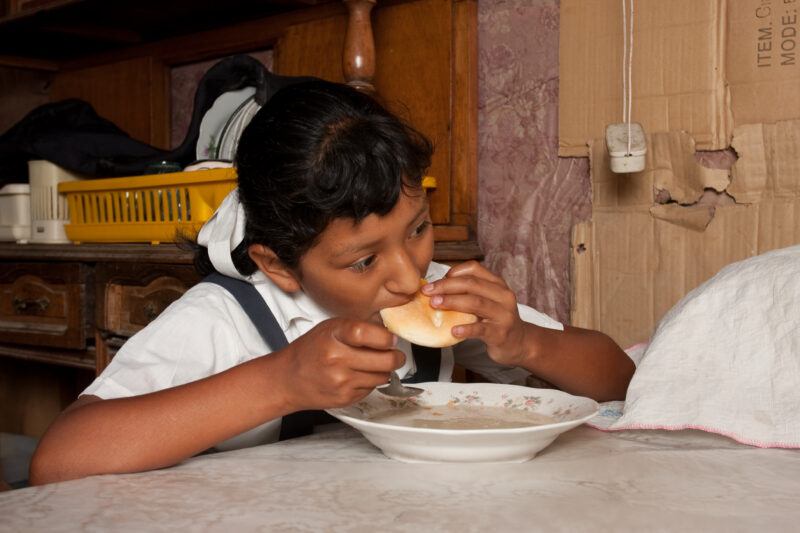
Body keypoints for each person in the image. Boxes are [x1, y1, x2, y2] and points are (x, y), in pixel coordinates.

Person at [29, 80, 634, 486]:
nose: (408, 274)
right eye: (364, 261)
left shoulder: (443, 294)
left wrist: (527, 342)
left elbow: (621, 381)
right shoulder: (225, 317)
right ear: (278, 265)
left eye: (419, 229)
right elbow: (58, 462)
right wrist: (280, 382)